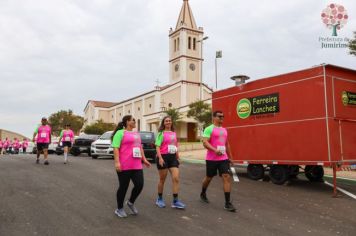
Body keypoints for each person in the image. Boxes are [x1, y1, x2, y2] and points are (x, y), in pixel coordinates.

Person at [111, 115, 151, 218]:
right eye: (133, 120)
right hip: (124, 164)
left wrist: (144, 159)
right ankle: (119, 208)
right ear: (127, 122)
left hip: (137, 165)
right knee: (123, 187)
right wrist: (117, 162)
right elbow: (116, 148)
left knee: (139, 185)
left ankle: (130, 202)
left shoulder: (136, 133)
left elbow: (140, 147)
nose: (134, 121)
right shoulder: (120, 133)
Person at [200, 110, 236, 212]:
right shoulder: (209, 129)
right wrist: (215, 150)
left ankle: (227, 203)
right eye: (219, 116)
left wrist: (230, 157)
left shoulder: (224, 130)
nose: (221, 118)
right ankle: (203, 193)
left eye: (223, 116)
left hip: (223, 159)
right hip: (211, 159)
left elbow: (227, 144)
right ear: (214, 117)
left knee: (226, 177)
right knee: (208, 178)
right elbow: (205, 142)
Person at [155, 116, 185, 209]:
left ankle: (175, 201)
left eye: (169, 121)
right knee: (162, 180)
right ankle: (159, 198)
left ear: (171, 122)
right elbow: (157, 146)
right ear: (164, 123)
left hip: (172, 158)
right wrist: (160, 158)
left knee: (176, 178)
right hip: (163, 157)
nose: (168, 122)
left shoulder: (174, 134)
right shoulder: (161, 133)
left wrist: (178, 157)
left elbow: (175, 146)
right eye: (166, 121)